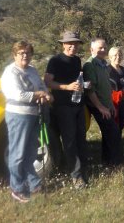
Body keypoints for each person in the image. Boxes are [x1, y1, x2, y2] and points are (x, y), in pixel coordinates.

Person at [1, 41, 53, 203]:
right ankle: (17, 188)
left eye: (28, 53)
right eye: (21, 53)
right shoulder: (10, 72)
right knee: (17, 154)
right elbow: (17, 94)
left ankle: (34, 184)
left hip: (33, 114)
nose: (25, 56)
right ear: (14, 55)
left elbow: (41, 85)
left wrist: (46, 94)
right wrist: (39, 94)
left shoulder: (32, 70)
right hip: (18, 115)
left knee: (31, 152)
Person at [44, 31, 88, 189]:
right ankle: (76, 176)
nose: (73, 46)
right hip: (63, 106)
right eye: (70, 43)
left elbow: (77, 79)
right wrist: (66, 87)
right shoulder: (55, 61)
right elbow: (47, 82)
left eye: (75, 43)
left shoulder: (77, 60)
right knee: (69, 140)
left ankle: (83, 168)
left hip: (78, 104)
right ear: (63, 44)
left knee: (80, 137)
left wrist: (81, 86)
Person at [83, 38, 122, 165]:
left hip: (106, 104)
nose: (103, 50)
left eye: (105, 47)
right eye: (100, 48)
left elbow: (106, 88)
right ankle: (115, 163)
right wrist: (101, 108)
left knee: (108, 133)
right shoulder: (90, 65)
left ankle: (107, 161)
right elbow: (90, 90)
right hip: (97, 105)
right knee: (113, 132)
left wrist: (111, 105)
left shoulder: (103, 64)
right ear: (92, 49)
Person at [108, 47, 124, 135]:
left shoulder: (123, 69)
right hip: (113, 102)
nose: (118, 57)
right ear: (110, 57)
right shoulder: (107, 70)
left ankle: (118, 144)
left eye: (120, 55)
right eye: (115, 55)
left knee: (121, 124)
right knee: (113, 126)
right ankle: (111, 147)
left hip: (123, 101)